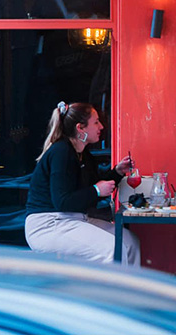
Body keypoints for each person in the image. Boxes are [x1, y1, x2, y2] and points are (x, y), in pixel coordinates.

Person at [25, 101, 140, 265]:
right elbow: (62, 202)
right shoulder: (61, 152)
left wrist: (118, 172)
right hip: (48, 224)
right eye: (96, 122)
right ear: (80, 128)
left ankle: (130, 282)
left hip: (74, 219)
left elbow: (96, 186)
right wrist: (96, 190)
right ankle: (110, 283)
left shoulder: (83, 154)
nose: (101, 127)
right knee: (112, 249)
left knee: (129, 242)